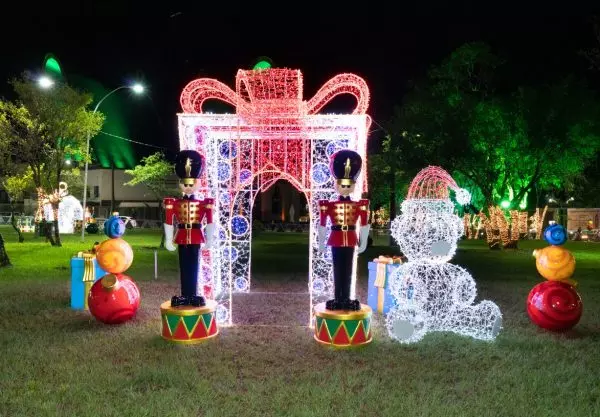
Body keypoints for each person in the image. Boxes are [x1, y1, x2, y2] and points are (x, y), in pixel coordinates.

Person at [318, 149, 370, 311]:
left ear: (353, 185)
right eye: (342, 185)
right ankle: (338, 298)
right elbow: (322, 224)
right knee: (337, 269)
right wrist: (321, 243)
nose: (346, 187)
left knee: (348, 270)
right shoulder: (328, 205)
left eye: (349, 185)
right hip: (335, 239)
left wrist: (363, 242)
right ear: (336, 185)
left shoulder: (359, 205)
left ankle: (346, 298)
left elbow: (364, 223)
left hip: (351, 239)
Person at [163, 150, 215, 307]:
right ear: (180, 184)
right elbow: (169, 220)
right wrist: (168, 240)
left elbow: (210, 221)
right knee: (184, 265)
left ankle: (193, 294)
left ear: (197, 183)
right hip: (181, 236)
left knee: (194, 265)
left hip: (196, 236)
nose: (188, 187)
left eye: (191, 184)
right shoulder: (174, 202)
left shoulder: (204, 203)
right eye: (185, 184)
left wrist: (210, 239)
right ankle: (185, 295)